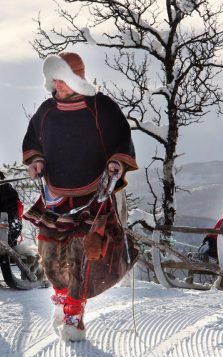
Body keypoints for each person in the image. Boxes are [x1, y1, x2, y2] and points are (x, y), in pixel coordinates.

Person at [22, 52, 139, 341]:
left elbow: (121, 139)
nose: (56, 85)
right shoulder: (46, 110)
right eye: (54, 80)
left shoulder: (101, 107)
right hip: (55, 195)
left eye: (61, 79)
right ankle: (62, 297)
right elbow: (34, 140)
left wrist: (115, 162)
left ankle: (75, 314)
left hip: (92, 195)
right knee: (48, 255)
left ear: (75, 78)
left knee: (80, 254)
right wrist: (36, 161)